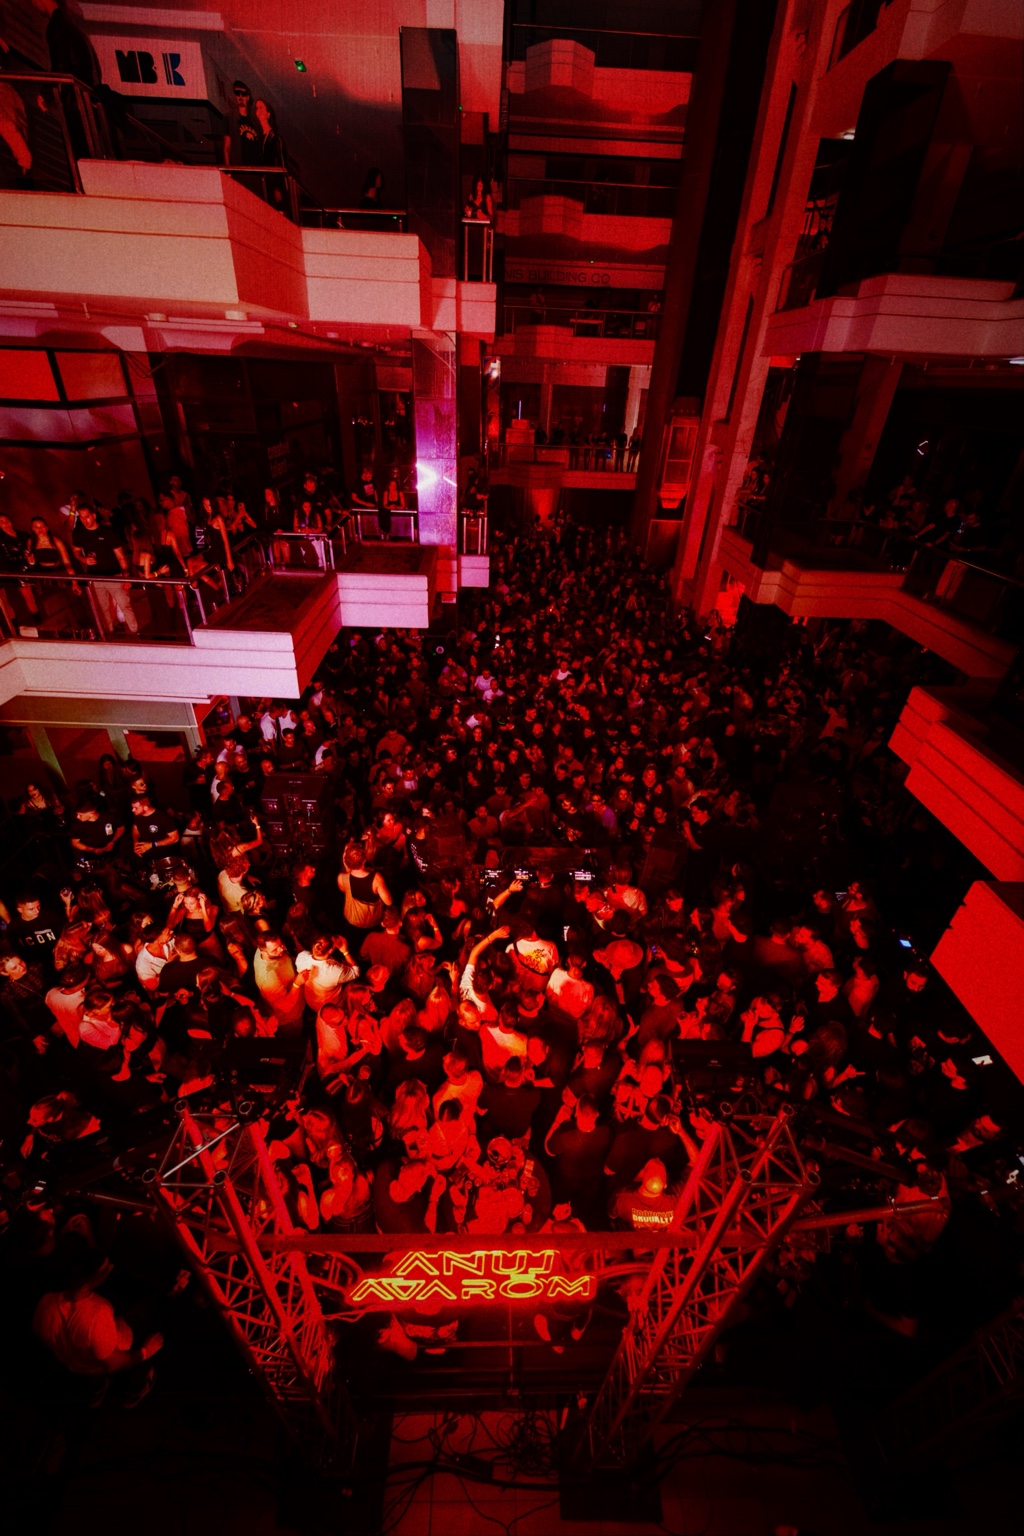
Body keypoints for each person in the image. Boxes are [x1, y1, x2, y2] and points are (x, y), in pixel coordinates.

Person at [71, 504, 138, 634]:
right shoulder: (79, 533)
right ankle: (109, 633)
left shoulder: (108, 533)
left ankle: (135, 632)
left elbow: (121, 557)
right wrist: (84, 559)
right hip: (95, 577)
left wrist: (126, 577)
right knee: (103, 608)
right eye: (81, 517)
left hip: (114, 575)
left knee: (124, 605)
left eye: (87, 517)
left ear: (94, 516)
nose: (85, 520)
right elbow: (76, 551)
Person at [223, 80, 262, 166]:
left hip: (256, 168)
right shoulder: (230, 118)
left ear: (247, 97)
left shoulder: (255, 122)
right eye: (237, 93)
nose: (240, 96)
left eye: (243, 94)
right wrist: (228, 170)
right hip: (239, 167)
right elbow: (227, 148)